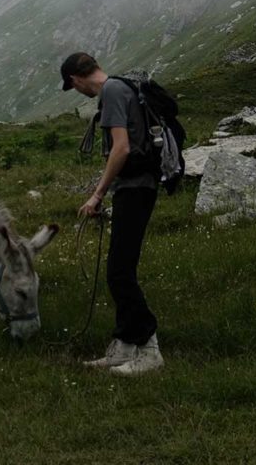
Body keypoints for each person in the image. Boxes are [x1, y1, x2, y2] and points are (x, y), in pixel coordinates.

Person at [60, 51, 163, 376]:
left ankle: (148, 348)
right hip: (133, 186)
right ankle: (124, 344)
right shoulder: (121, 88)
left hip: (135, 187)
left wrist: (97, 194)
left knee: (120, 272)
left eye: (73, 87)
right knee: (119, 268)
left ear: (76, 79)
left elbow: (121, 147)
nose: (78, 92)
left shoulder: (113, 93)